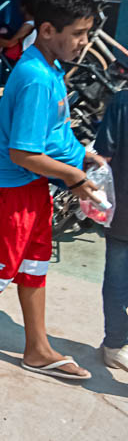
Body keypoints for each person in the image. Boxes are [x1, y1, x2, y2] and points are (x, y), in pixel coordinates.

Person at [0, 0, 102, 381]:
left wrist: (81, 155)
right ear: (47, 29)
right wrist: (74, 177)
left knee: (32, 269)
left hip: (34, 191)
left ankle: (37, 347)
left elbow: (52, 135)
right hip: (8, 194)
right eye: (79, 33)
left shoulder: (51, 68)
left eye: (87, 33)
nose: (84, 42)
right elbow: (22, 153)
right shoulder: (34, 76)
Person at [95, 90, 128, 372]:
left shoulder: (122, 101)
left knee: (117, 280)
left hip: (122, 211)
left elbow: (104, 152)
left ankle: (115, 345)